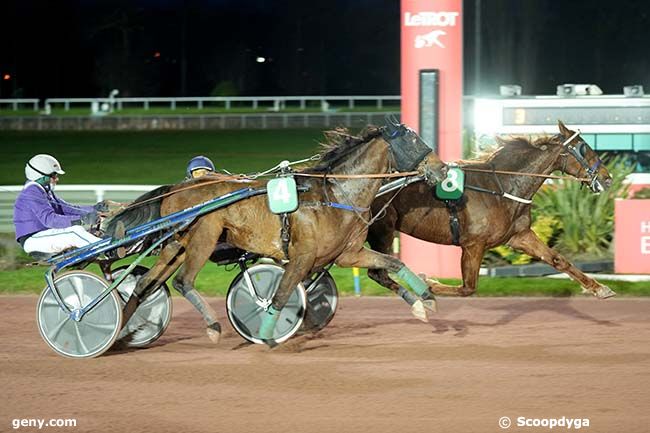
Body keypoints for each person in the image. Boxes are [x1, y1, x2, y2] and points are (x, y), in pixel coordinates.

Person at [13, 154, 112, 255]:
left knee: (79, 230)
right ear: (41, 177)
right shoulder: (31, 192)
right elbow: (50, 220)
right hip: (33, 239)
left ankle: (106, 244)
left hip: (42, 235)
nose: (57, 179)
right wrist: (82, 220)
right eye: (53, 175)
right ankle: (109, 249)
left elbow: (68, 208)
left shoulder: (44, 191)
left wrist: (94, 209)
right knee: (74, 232)